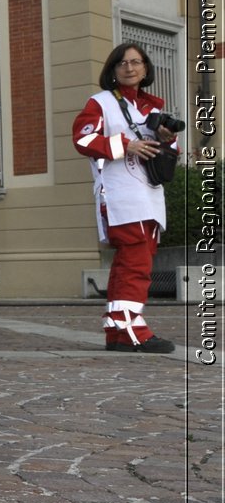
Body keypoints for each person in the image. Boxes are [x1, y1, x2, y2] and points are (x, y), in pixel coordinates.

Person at [72, 43, 183, 353]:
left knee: (131, 264)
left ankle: (120, 331)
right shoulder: (102, 102)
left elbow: (171, 155)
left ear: (146, 69)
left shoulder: (151, 110)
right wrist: (125, 145)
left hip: (148, 195)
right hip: (121, 195)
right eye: (122, 63)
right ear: (112, 69)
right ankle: (134, 330)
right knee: (134, 264)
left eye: (136, 62)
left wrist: (167, 141)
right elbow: (82, 138)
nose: (130, 67)